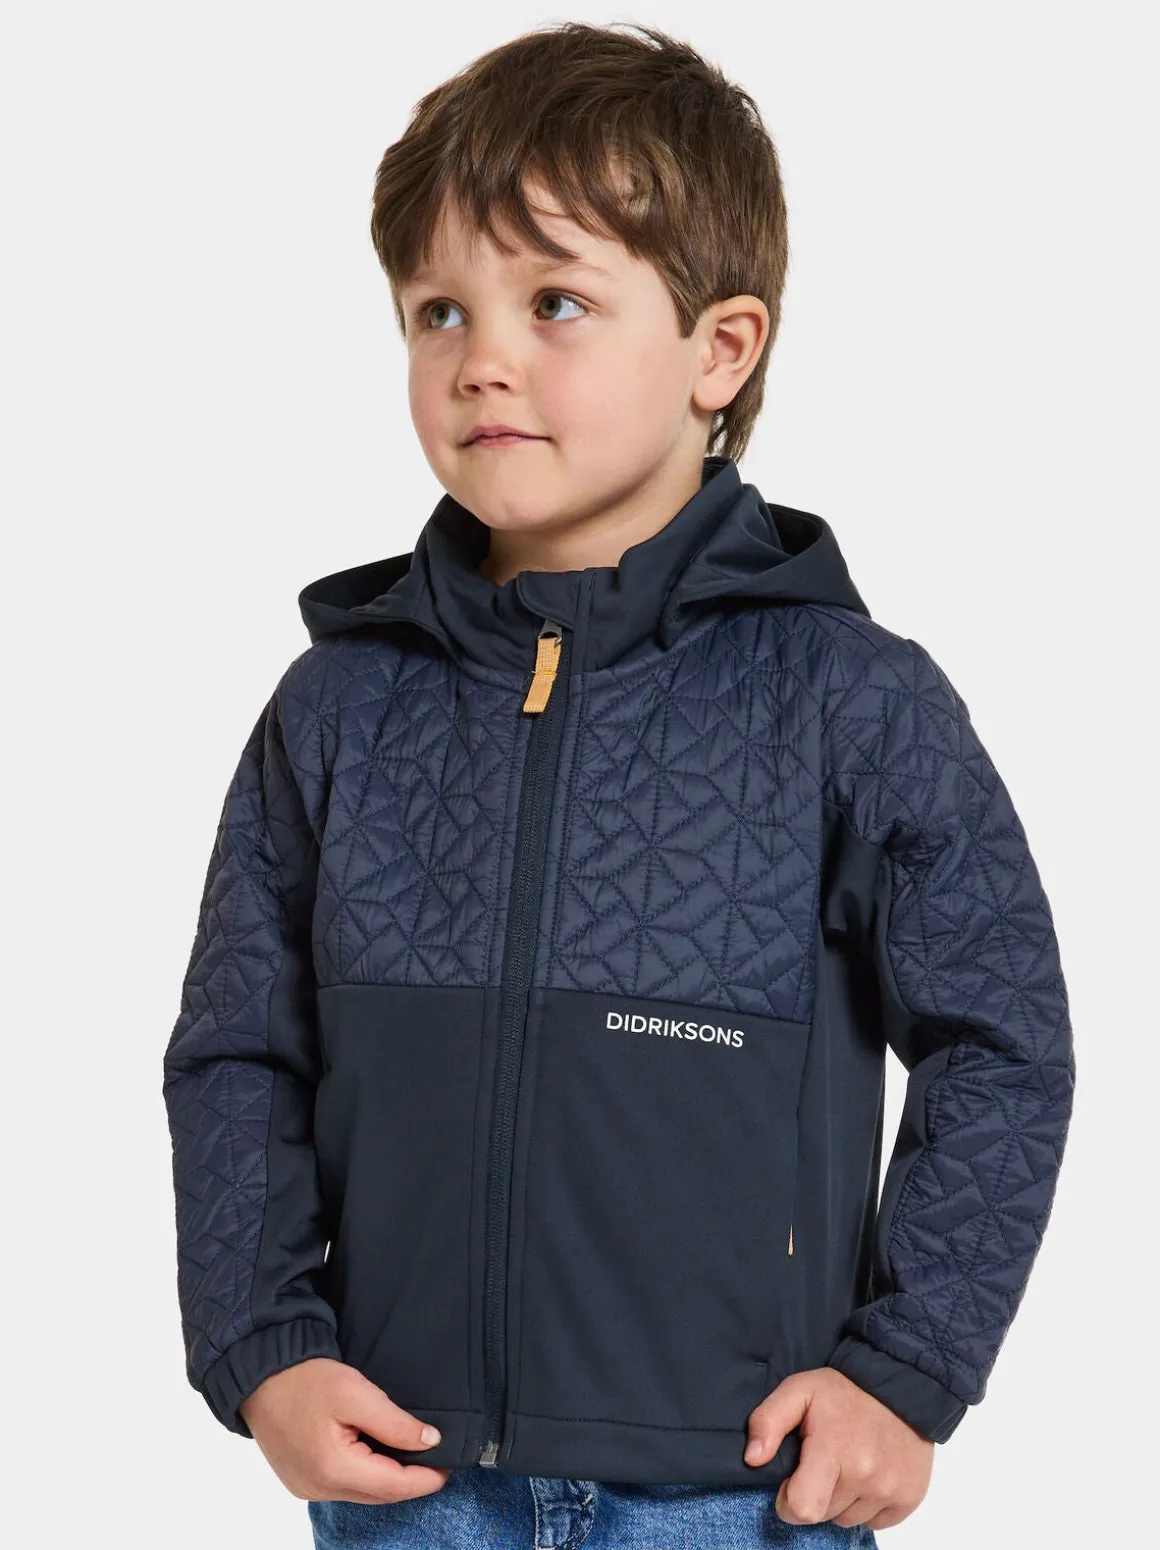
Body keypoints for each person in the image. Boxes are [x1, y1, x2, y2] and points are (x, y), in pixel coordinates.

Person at [161, 21, 1075, 1550]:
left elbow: (1005, 1041)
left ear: (722, 349)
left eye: (556, 301)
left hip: (737, 1488)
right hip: (408, 1484)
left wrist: (907, 1368)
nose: (482, 357)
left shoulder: (847, 699)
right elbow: (237, 1054)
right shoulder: (338, 708)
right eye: (438, 310)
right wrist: (264, 1346)